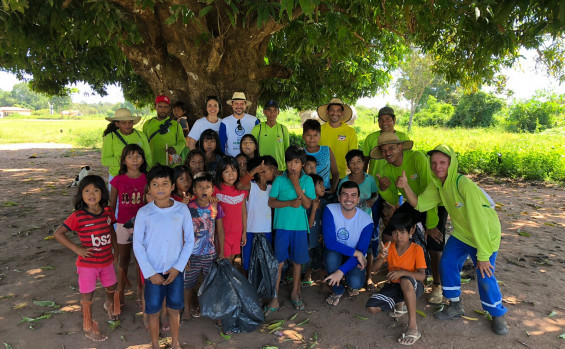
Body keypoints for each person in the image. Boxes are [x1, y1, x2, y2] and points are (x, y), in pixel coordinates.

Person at [396, 144, 508, 335]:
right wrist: (405, 186)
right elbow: (420, 204)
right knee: (447, 262)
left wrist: (482, 254)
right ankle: (455, 305)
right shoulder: (437, 184)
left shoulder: (463, 184)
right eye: (433, 163)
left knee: (485, 275)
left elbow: (478, 220)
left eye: (442, 163)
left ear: (451, 163)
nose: (437, 167)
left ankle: (497, 314)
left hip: (485, 234)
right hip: (463, 232)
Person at [370, 132, 447, 303]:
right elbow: (391, 199)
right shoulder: (386, 168)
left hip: (434, 203)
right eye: (383, 150)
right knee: (389, 234)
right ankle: (401, 271)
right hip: (413, 202)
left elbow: (431, 190)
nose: (387, 153)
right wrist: (383, 188)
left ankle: (436, 285)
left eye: (391, 148)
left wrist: (432, 224)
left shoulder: (417, 158)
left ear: (400, 147)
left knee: (435, 243)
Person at [133, 164, 195, 349]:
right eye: (155, 184)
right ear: (149, 188)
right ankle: (154, 344)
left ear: (173, 186)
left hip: (175, 271)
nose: (160, 188)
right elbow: (137, 245)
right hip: (153, 272)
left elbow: (189, 241)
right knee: (153, 311)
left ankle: (175, 343)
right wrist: (150, 272)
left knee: (175, 309)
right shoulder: (144, 213)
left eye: (165, 183)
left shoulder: (182, 210)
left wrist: (178, 268)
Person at [53, 175, 119, 342]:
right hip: (88, 265)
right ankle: (88, 326)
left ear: (102, 193)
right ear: (81, 194)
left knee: (112, 285)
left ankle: (109, 304)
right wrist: (77, 249)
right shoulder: (78, 216)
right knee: (87, 295)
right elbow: (58, 233)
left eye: (96, 190)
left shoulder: (108, 211)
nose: (92, 194)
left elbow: (111, 229)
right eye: (87, 191)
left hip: (106, 261)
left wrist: (116, 249)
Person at [365, 212, 426, 346]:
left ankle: (413, 327)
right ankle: (400, 304)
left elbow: (422, 276)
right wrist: (382, 257)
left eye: (402, 232)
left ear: (412, 231)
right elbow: (374, 269)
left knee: (405, 280)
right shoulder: (389, 246)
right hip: (394, 286)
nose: (398, 236)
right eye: (395, 232)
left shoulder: (417, 249)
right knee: (371, 307)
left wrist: (402, 272)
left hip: (414, 286)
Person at [269, 146, 315, 311]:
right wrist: (288, 203)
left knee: (297, 262)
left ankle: (295, 292)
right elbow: (271, 202)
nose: (292, 165)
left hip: (300, 228)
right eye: (289, 161)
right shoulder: (280, 180)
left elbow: (308, 204)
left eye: (296, 162)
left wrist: (296, 185)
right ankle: (274, 297)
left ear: (302, 164)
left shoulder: (307, 181)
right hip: (282, 227)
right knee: (279, 263)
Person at [182, 172, 225, 321]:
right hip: (191, 254)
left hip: (210, 253)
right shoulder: (187, 208)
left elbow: (220, 230)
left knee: (211, 283)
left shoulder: (215, 207)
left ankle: (213, 310)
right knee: (187, 284)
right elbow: (182, 231)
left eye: (207, 187)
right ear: (194, 190)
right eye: (200, 187)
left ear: (213, 190)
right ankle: (187, 310)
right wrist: (183, 255)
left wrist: (222, 252)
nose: (204, 190)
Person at [109, 144, 148, 309]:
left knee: (142, 260)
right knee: (123, 260)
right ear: (124, 160)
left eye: (138, 156)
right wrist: (109, 225)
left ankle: (141, 290)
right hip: (122, 225)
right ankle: (120, 292)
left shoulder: (147, 178)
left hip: (143, 225)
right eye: (130, 156)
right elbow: (112, 205)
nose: (134, 159)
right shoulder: (118, 180)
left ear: (143, 160)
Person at [323, 181, 373, 306]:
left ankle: (346, 280)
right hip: (337, 252)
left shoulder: (366, 220)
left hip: (354, 258)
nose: (349, 199)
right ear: (339, 197)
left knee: (356, 282)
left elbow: (361, 251)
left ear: (358, 199)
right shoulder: (330, 210)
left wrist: (341, 271)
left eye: (353, 195)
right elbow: (330, 243)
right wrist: (356, 253)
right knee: (331, 257)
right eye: (345, 194)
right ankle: (337, 289)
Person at [338, 149, 379, 288]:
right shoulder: (343, 181)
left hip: (366, 222)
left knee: (368, 250)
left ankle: (369, 278)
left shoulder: (370, 179)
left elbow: (375, 194)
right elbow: (340, 201)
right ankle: (344, 275)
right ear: (348, 165)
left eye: (359, 162)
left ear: (364, 163)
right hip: (348, 222)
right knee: (348, 248)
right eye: (352, 162)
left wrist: (372, 200)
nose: (356, 165)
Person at [239, 156, 278, 275]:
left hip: (267, 232)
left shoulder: (271, 188)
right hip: (250, 232)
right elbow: (239, 186)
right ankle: (248, 289)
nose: (275, 173)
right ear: (262, 171)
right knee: (247, 264)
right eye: (272, 169)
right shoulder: (251, 186)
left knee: (264, 263)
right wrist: (255, 170)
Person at [101, 108, 152, 185]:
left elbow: (148, 155)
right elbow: (105, 160)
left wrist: (147, 171)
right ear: (117, 124)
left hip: (138, 175)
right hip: (116, 176)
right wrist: (124, 160)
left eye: (130, 122)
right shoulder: (110, 137)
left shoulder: (141, 135)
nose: (128, 125)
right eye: (124, 123)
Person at [213, 156, 248, 263]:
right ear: (220, 173)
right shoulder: (215, 190)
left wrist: (244, 232)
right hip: (223, 234)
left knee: (231, 261)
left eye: (234, 170)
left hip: (237, 233)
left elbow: (243, 212)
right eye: (226, 172)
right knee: (225, 262)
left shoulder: (241, 189)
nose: (231, 175)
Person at [317, 98, 358, 179]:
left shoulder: (350, 131)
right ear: (327, 112)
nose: (335, 113)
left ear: (342, 113)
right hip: (320, 176)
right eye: (332, 110)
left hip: (341, 176)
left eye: (338, 110)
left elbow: (354, 155)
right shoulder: (319, 130)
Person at [362, 106, 409, 177]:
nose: (384, 123)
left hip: (397, 179)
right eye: (381, 120)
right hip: (375, 179)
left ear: (394, 120)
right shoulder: (370, 138)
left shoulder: (403, 137)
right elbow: (365, 160)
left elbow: (407, 159)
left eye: (388, 119)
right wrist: (364, 178)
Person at [142, 95, 185, 167]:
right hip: (152, 164)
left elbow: (182, 141)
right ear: (155, 106)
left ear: (170, 108)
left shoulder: (176, 125)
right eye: (160, 106)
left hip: (171, 166)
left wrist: (175, 149)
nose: (163, 109)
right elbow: (143, 143)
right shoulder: (147, 124)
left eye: (166, 107)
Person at [301, 173, 327, 286]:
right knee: (307, 257)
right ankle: (307, 274)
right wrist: (314, 209)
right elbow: (308, 226)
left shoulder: (325, 204)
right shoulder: (307, 205)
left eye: (323, 184)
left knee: (319, 257)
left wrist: (322, 234)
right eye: (319, 185)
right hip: (308, 239)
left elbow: (325, 223)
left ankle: (322, 277)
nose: (323, 187)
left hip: (319, 237)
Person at [302, 119, 339, 195]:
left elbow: (335, 173)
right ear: (303, 136)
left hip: (325, 192)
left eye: (315, 135)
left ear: (320, 136)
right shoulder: (301, 153)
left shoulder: (327, 150)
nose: (312, 139)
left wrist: (332, 190)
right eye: (308, 135)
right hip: (306, 193)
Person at [251, 100, 290, 171]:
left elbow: (287, 150)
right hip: (262, 169)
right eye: (269, 110)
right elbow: (252, 150)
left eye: (275, 110)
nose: (272, 113)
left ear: (278, 112)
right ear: (264, 112)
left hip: (280, 169)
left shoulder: (283, 129)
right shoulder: (257, 129)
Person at [219, 92, 259, 156]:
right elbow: (221, 143)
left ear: (245, 105)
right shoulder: (225, 122)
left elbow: (258, 141)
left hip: (250, 160)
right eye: (236, 103)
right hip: (231, 161)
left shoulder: (254, 121)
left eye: (242, 104)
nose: (239, 106)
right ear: (232, 105)